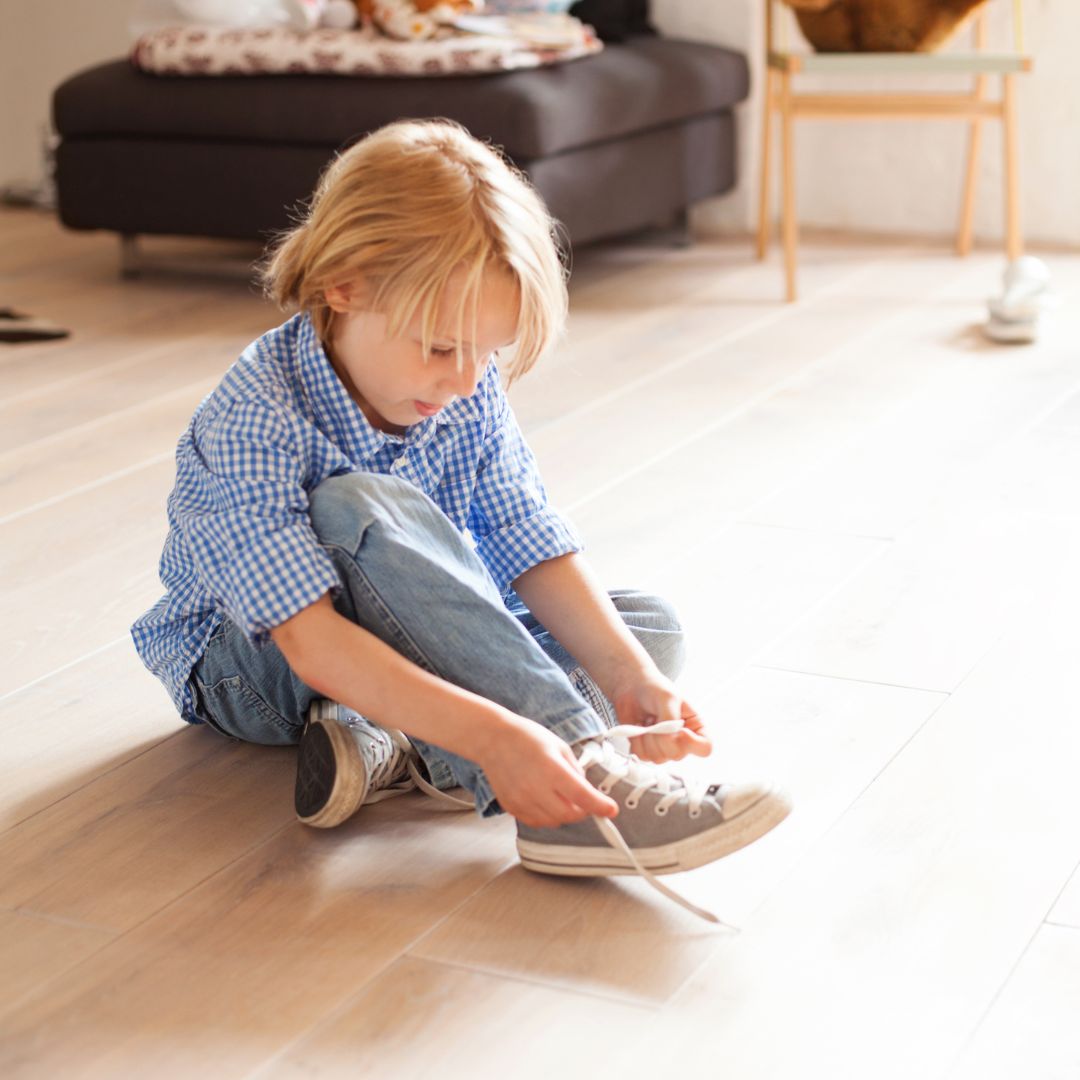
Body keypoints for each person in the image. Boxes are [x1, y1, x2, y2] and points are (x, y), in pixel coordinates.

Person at [131, 120, 790, 921]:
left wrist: (628, 679)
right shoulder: (254, 416)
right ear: (345, 285)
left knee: (647, 630)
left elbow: (529, 540)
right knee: (355, 504)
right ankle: (579, 794)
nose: (466, 379)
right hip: (258, 667)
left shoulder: (464, 386)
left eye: (489, 353)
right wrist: (500, 738)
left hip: (394, 633)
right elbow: (309, 640)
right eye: (442, 348)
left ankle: (387, 738)